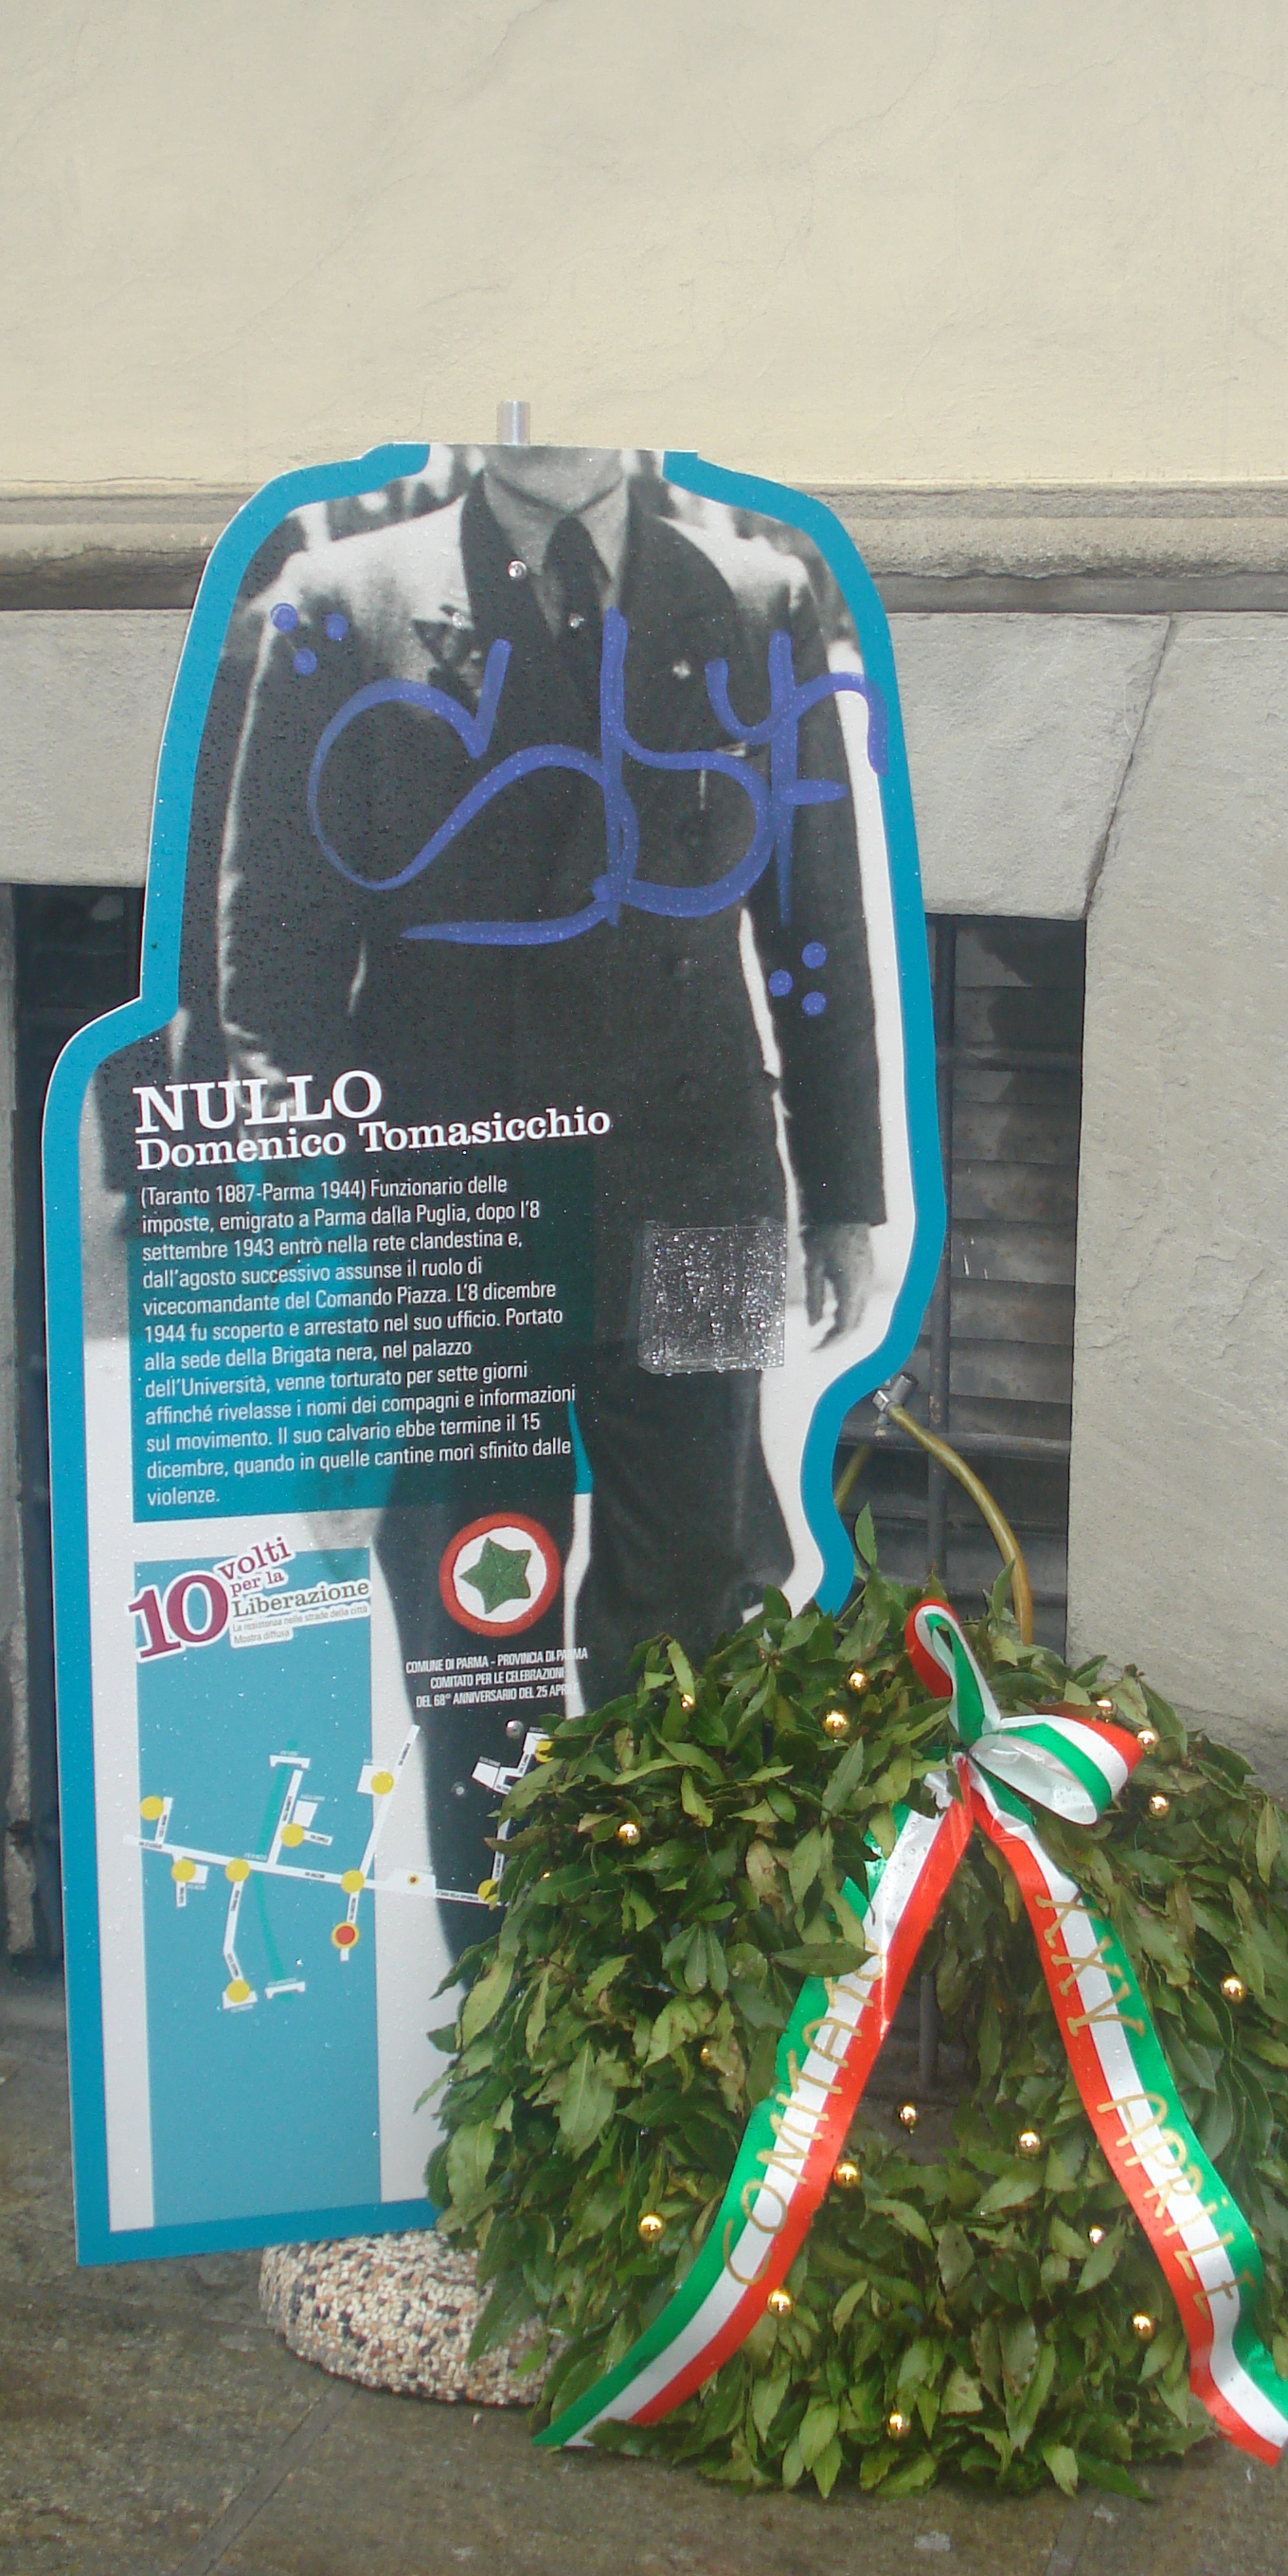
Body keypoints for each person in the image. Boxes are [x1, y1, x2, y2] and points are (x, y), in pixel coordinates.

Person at [209, 447, 886, 1938]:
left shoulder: (756, 597)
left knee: (696, 1600)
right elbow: (278, 960)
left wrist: (845, 1186)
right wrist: (312, 1244)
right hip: (453, 1204)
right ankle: (508, 2000)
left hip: (699, 1195)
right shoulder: (343, 601)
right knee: (480, 1631)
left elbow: (814, 920)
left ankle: (665, 1990)